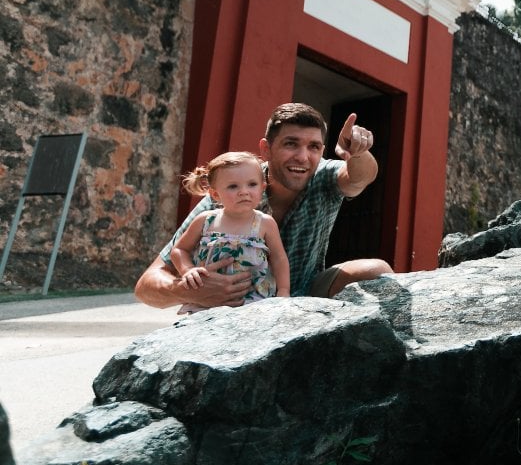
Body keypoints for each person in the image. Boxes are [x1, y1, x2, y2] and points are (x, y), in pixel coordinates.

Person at [135, 102, 392, 309]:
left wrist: (358, 153)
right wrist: (189, 289)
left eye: (313, 147)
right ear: (266, 149)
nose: (303, 157)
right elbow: (147, 285)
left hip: (303, 294)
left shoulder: (324, 177)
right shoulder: (228, 193)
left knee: (376, 271)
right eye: (291, 144)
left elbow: (361, 177)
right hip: (233, 304)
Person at [171, 151, 289, 314]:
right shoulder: (206, 221)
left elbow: (279, 258)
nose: (244, 191)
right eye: (233, 186)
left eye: (252, 184)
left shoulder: (264, 223)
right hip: (208, 302)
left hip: (253, 301)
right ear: (215, 194)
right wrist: (188, 270)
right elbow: (179, 250)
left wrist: (283, 291)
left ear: (263, 187)